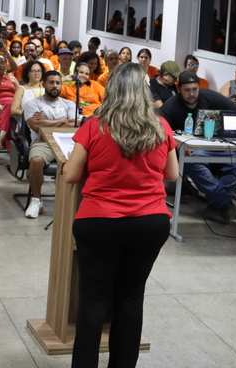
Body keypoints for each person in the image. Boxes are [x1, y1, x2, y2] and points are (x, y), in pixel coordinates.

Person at [63, 61, 179, 368]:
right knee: (131, 297)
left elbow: (71, 175)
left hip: (99, 221)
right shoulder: (160, 126)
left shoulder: (95, 125)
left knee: (94, 298)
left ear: (111, 89)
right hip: (149, 222)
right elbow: (172, 174)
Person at [158, 71, 236, 224]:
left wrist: (224, 131)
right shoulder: (171, 105)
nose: (192, 94)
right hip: (191, 149)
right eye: (187, 90)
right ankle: (224, 202)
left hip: (217, 146)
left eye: (195, 89)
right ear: (179, 90)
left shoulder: (210, 96)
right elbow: (159, 128)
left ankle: (218, 203)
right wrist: (177, 145)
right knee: (192, 162)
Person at [22, 71, 79, 219]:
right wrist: (63, 120)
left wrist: (46, 121)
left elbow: (75, 124)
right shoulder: (33, 104)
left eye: (58, 83)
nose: (55, 86)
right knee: (36, 161)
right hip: (43, 142)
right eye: (51, 82)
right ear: (44, 84)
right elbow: (36, 126)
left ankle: (76, 202)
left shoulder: (69, 104)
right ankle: (36, 200)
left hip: (67, 141)